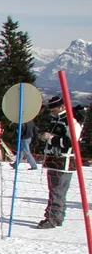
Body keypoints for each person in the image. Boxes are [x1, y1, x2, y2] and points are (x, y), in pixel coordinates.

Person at [38, 96, 83, 229]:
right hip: (54, 160)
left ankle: (52, 218)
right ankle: (57, 217)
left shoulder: (70, 121)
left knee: (57, 191)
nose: (52, 112)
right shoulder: (56, 120)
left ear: (62, 107)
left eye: (54, 110)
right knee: (55, 190)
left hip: (64, 161)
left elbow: (71, 142)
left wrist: (50, 138)